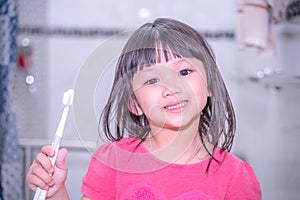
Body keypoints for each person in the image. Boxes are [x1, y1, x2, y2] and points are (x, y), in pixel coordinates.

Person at [26, 18, 262, 200]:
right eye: (152, 80)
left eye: (184, 72)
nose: (172, 87)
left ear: (209, 85)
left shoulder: (236, 176)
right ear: (135, 104)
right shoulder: (112, 161)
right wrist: (54, 191)